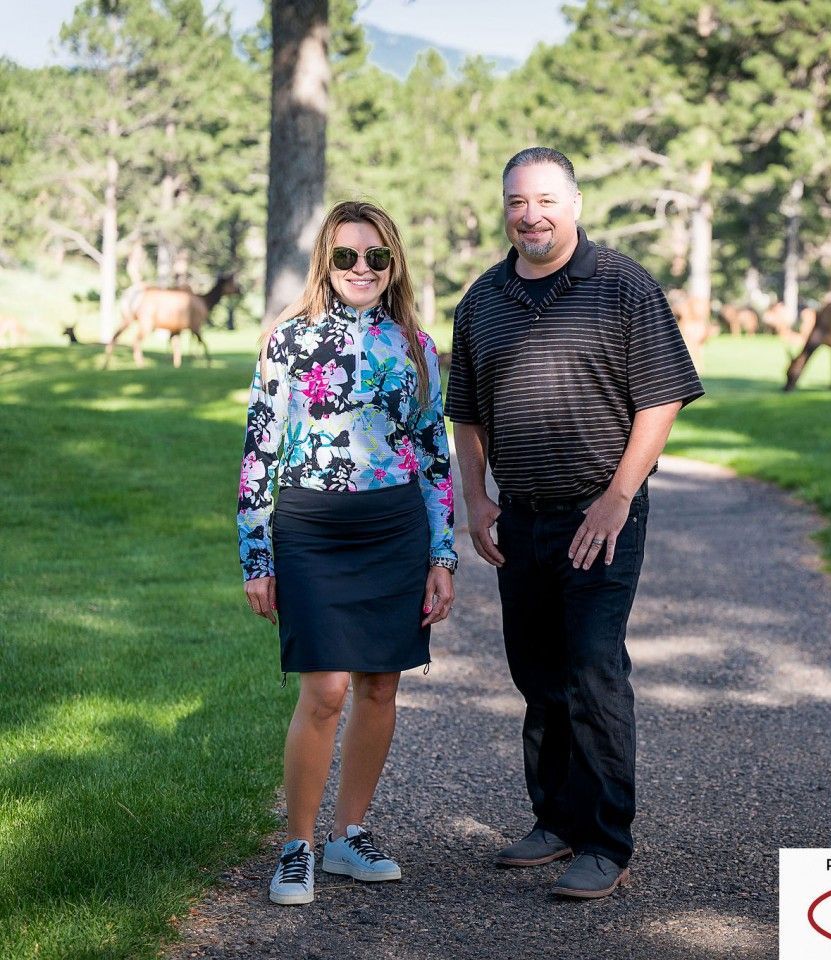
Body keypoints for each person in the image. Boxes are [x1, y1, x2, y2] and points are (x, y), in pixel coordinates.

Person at [446, 147, 703, 899]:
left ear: (575, 204)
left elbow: (661, 397)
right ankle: (555, 820)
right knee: (537, 674)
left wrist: (619, 495)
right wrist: (478, 497)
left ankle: (604, 840)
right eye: (517, 202)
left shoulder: (621, 284)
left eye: (546, 200)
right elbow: (466, 412)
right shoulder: (483, 300)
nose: (531, 215)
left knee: (592, 668)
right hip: (520, 517)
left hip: (600, 517)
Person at [237, 200, 457, 906]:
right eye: (345, 256)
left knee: (380, 686)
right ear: (325, 266)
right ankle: (296, 845)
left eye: (375, 256)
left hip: (394, 530)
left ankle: (348, 835)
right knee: (325, 689)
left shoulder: (417, 347)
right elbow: (259, 451)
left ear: (393, 264)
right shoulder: (288, 342)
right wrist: (257, 556)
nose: (361, 268)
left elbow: (432, 455)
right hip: (311, 528)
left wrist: (443, 556)